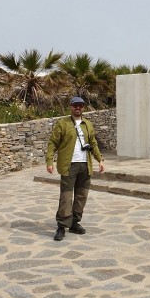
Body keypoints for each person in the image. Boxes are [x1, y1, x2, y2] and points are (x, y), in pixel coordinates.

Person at [46, 96, 105, 241]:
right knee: (66, 197)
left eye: (80, 105)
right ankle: (62, 226)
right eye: (75, 105)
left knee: (81, 195)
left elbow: (93, 143)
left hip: (85, 165)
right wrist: (49, 161)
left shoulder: (88, 124)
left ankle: (74, 223)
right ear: (70, 107)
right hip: (69, 165)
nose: (78, 107)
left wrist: (100, 160)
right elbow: (53, 143)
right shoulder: (63, 123)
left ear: (83, 107)